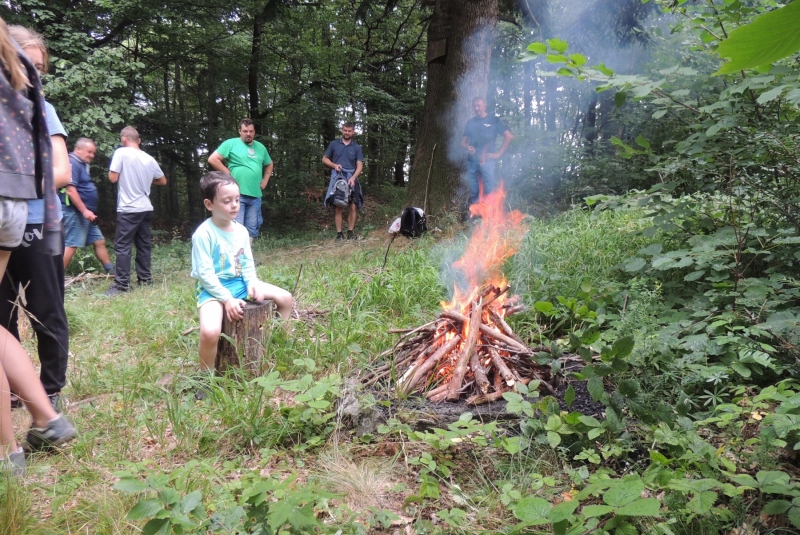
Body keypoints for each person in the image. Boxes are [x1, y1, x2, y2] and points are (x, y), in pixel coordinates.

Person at [0, 17, 76, 476]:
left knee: (47, 310)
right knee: (3, 318)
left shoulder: (39, 106)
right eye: (32, 64)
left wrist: (18, 185)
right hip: (12, 214)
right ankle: (16, 399)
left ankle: (49, 393)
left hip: (32, 221)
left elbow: (63, 171)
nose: (36, 75)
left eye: (41, 68)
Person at [191, 171, 292, 395]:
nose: (234, 205)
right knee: (210, 331)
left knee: (286, 298)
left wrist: (252, 282)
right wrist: (226, 299)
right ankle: (204, 378)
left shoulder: (242, 231)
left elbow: (246, 263)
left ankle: (281, 344)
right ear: (209, 204)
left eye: (237, 199)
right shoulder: (204, 234)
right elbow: (205, 275)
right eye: (226, 201)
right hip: (212, 290)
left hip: (239, 283)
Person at [105, 126, 167, 296]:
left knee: (123, 246)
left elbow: (112, 177)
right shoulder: (149, 159)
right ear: (138, 140)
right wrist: (146, 180)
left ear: (123, 139)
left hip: (128, 208)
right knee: (143, 245)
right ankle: (145, 280)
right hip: (145, 208)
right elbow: (162, 181)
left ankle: (122, 285)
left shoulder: (121, 153)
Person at [207, 118, 273, 243]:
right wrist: (228, 174)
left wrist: (265, 180)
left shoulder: (260, 147)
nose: (248, 134)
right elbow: (213, 159)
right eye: (245, 131)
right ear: (240, 131)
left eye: (251, 131)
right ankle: (234, 258)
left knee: (252, 228)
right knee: (236, 226)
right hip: (236, 195)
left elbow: (269, 164)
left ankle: (246, 257)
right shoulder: (231, 144)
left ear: (254, 132)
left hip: (255, 195)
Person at [62, 137, 114, 274]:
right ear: (79, 149)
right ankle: (55, 280)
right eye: (89, 152)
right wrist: (85, 211)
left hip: (87, 214)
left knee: (99, 240)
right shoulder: (72, 162)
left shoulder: (82, 164)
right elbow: (70, 190)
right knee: (71, 244)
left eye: (93, 153)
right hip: (76, 212)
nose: (91, 155)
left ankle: (111, 271)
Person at [460, 97, 513, 206]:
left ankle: (489, 216)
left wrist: (498, 153)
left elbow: (508, 136)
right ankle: (475, 216)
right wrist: (468, 147)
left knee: (489, 190)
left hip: (488, 161)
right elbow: (463, 143)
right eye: (474, 106)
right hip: (472, 162)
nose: (476, 108)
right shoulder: (470, 122)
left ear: (485, 106)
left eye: (478, 105)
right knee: (474, 191)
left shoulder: (494, 120)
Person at [322, 121, 364, 240]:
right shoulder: (334, 144)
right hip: (337, 177)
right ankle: (339, 234)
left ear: (353, 132)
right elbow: (324, 159)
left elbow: (360, 165)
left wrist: (353, 177)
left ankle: (350, 233)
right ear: (342, 130)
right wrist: (334, 165)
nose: (347, 133)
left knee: (353, 206)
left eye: (349, 131)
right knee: (338, 205)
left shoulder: (356, 147)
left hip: (351, 176)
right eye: (345, 130)